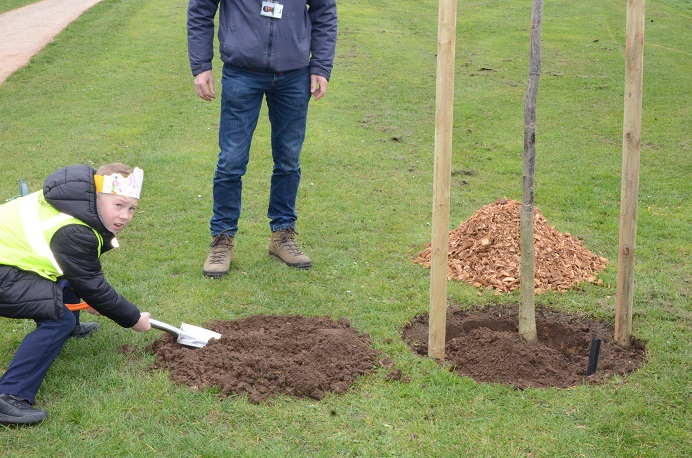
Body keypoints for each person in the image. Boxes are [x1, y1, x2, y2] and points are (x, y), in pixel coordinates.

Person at [187, 0, 338, 277]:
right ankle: (222, 239)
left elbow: (325, 11)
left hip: (294, 75)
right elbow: (200, 10)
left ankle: (282, 236)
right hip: (241, 73)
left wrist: (321, 65)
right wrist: (200, 65)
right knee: (231, 160)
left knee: (288, 159)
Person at [0, 163, 152, 426]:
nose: (126, 216)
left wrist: (91, 296)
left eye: (132, 208)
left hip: (11, 261)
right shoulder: (75, 230)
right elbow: (93, 285)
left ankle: (70, 328)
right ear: (96, 196)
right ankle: (8, 395)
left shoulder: (74, 201)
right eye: (118, 205)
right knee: (59, 317)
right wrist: (133, 318)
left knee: (68, 280)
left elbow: (76, 272)